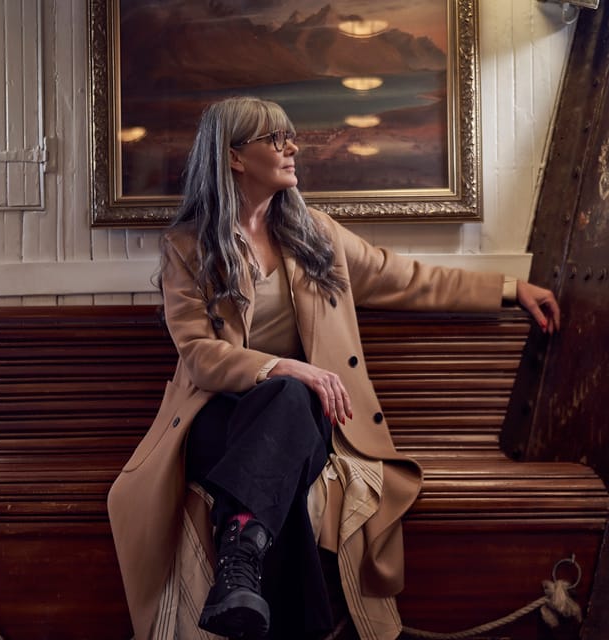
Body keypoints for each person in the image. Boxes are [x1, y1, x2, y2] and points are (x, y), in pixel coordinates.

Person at [107, 96, 561, 640]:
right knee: (288, 423)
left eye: (289, 136)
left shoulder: (315, 235)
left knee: (293, 405)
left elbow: (407, 278)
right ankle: (262, 575)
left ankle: (241, 564)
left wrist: (509, 288)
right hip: (217, 419)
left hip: (302, 417)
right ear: (234, 157)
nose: (292, 148)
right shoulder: (188, 247)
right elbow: (200, 355)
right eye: (275, 139)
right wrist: (286, 367)